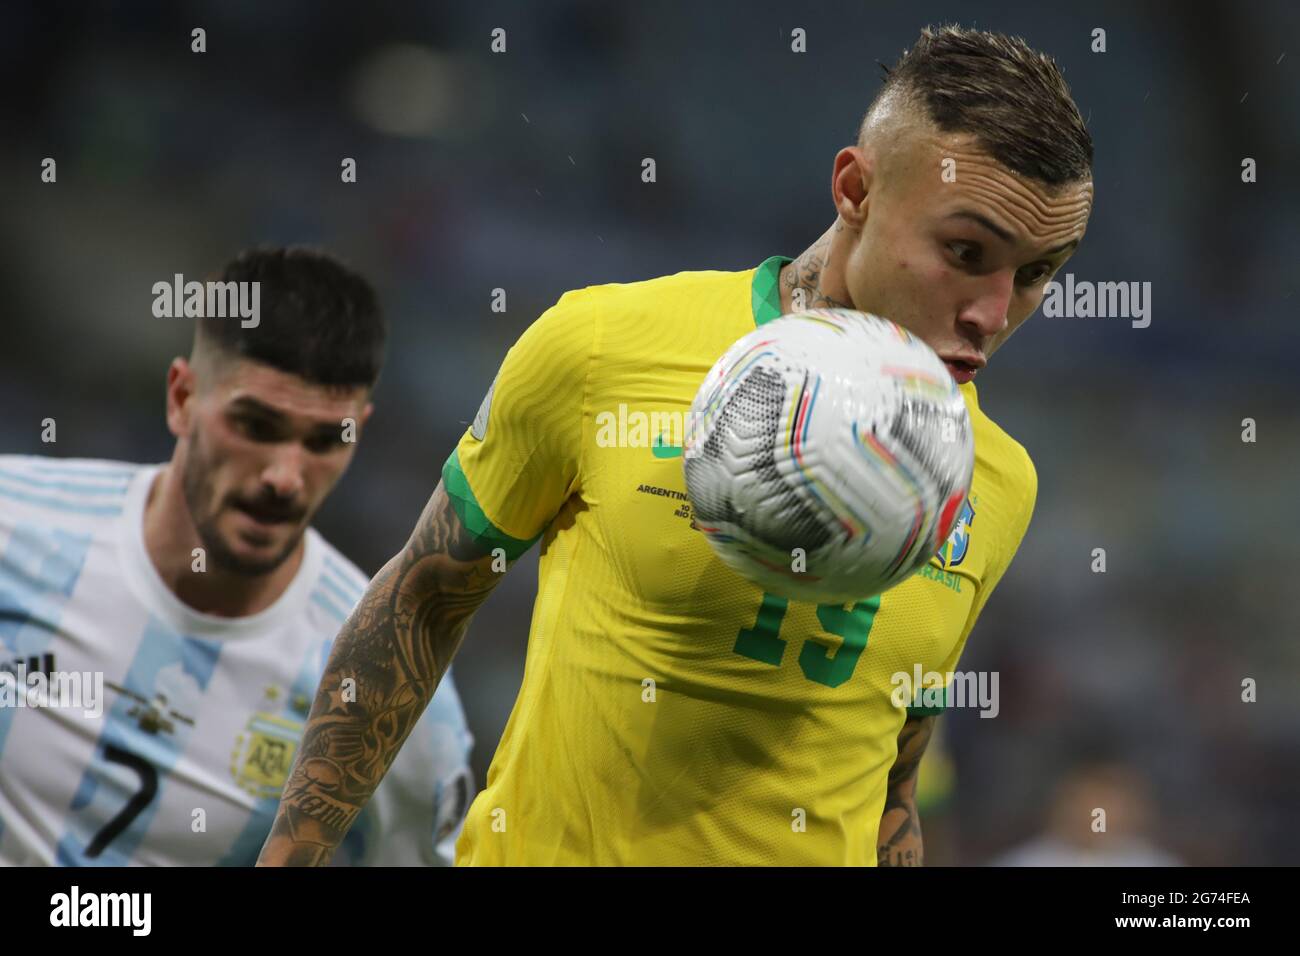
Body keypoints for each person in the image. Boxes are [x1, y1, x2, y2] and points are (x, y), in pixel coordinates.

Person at [259, 24, 1094, 866]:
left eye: (1034, 275)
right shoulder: (604, 347)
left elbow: (892, 780)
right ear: (855, 190)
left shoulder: (995, 479)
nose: (992, 314)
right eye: (965, 251)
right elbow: (419, 604)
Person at [0, 247, 472, 866]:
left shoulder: (390, 686)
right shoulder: (14, 528)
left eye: (326, 441)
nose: (286, 476)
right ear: (181, 398)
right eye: (256, 425)